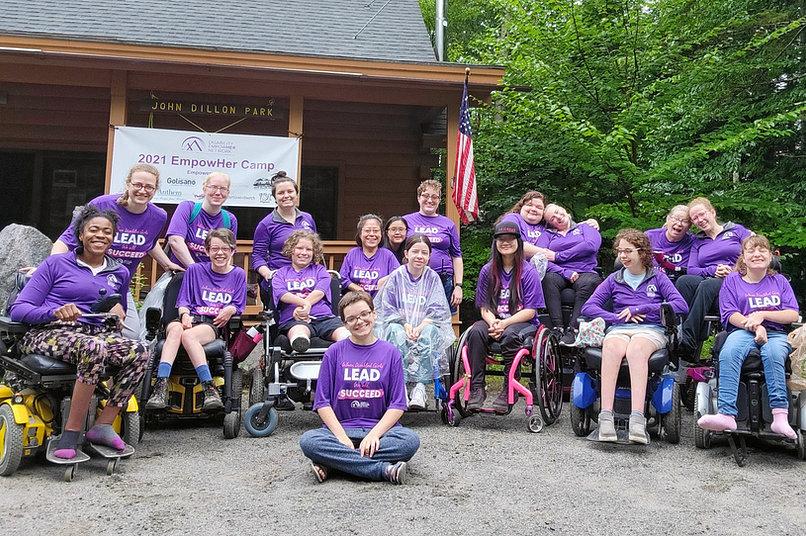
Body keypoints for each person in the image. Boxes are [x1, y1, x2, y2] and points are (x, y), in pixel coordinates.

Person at [10, 206, 149, 459]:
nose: (100, 236)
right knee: (93, 347)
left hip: (94, 332)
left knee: (138, 351)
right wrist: (54, 311)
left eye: (107, 232)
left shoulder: (119, 272)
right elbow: (19, 309)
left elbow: (119, 312)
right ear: (81, 235)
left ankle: (103, 425)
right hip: (48, 332)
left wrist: (116, 315)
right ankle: (70, 434)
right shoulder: (56, 264)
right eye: (93, 230)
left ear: (113, 237)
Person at [299, 291, 419, 484]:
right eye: (352, 318)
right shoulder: (333, 352)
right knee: (309, 441)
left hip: (381, 432)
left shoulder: (391, 353)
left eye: (364, 314)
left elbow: (397, 405)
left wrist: (373, 435)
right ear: (344, 324)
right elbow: (322, 402)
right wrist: (340, 437)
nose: (359, 321)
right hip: (340, 430)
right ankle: (383, 470)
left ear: (374, 314)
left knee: (409, 441)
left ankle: (334, 463)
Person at [581, 229, 688, 444]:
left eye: (628, 251)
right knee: (611, 348)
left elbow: (681, 305)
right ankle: (605, 417)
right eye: (620, 251)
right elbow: (588, 307)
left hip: (651, 330)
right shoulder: (614, 279)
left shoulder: (658, 277)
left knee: (636, 350)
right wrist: (615, 317)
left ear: (642, 252)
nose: (623, 256)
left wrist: (643, 308)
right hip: (620, 329)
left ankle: (637, 418)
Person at [51, 163, 180, 339]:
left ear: (155, 189)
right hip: (86, 277)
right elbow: (66, 240)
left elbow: (149, 243)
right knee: (84, 329)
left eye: (149, 187)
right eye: (138, 185)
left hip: (118, 284)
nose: (143, 190)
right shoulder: (102, 204)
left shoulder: (158, 216)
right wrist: (52, 269)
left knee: (132, 336)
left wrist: (167, 264)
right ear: (128, 184)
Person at [697, 236, 799, 439]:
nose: (757, 254)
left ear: (770, 257)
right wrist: (754, 327)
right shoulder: (732, 281)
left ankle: (779, 416)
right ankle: (726, 414)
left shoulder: (779, 281)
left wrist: (763, 315)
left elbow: (792, 314)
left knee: (773, 353)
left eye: (762, 250)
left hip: (776, 332)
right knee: (729, 350)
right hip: (741, 330)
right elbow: (729, 313)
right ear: (743, 257)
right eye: (751, 250)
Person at [146, 229, 246, 411]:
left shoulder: (238, 274)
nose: (220, 253)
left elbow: (239, 304)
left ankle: (209, 388)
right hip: (187, 317)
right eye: (215, 248)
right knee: (176, 330)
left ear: (232, 251)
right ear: (207, 251)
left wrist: (229, 309)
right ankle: (160, 388)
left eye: (225, 248)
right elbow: (183, 301)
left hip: (209, 323)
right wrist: (184, 315)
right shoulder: (194, 270)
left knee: (189, 337)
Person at [464, 221, 545, 413]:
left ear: (518, 242)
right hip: (494, 320)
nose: (505, 242)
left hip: (521, 323)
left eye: (510, 239)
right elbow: (484, 306)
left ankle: (509, 387)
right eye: (501, 239)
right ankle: (476, 388)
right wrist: (493, 322)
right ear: (495, 243)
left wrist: (505, 324)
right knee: (475, 332)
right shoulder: (487, 270)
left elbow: (531, 311)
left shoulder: (528, 272)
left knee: (510, 335)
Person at [373, 234, 455, 410]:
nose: (419, 256)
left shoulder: (433, 277)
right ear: (406, 253)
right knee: (395, 332)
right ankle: (400, 386)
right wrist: (406, 324)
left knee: (429, 334)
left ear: (429, 256)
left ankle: (419, 387)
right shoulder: (396, 276)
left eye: (424, 252)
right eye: (415, 251)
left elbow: (438, 308)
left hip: (424, 325)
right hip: (400, 324)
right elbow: (386, 307)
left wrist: (421, 326)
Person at [675, 197, 752, 358]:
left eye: (702, 214)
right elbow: (692, 270)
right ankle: (678, 332)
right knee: (684, 281)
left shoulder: (736, 230)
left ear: (712, 212)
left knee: (707, 285)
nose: (700, 220)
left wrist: (734, 270)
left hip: (737, 281)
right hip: (711, 281)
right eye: (695, 218)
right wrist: (712, 270)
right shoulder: (698, 241)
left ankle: (688, 339)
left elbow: (756, 253)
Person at [271, 230, 349, 353]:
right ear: (291, 250)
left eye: (309, 249)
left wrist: (305, 305)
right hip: (294, 319)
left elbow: (320, 291)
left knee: (343, 333)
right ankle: (300, 342)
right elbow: (282, 293)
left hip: (324, 318)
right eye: (299, 248)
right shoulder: (281, 274)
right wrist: (304, 306)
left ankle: (348, 346)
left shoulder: (321, 271)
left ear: (314, 253)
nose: (304, 252)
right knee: (299, 330)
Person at [540, 203, 602, 345]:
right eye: (552, 218)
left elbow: (591, 246)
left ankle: (573, 330)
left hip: (585, 271)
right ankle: (557, 328)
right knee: (548, 280)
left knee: (590, 283)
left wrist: (558, 256)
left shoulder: (585, 228)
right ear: (550, 224)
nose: (558, 218)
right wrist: (565, 271)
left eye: (557, 212)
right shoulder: (547, 235)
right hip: (559, 272)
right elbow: (541, 258)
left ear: (564, 210)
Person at [252, 171, 316, 303]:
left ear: (296, 195)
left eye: (290, 191)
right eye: (281, 193)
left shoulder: (307, 218)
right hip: (280, 280)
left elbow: (314, 250)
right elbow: (257, 257)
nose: (286, 196)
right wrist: (269, 275)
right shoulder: (266, 224)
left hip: (307, 280)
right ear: (275, 197)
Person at [403, 180, 462, 311]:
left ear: (439, 200)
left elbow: (457, 256)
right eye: (425, 196)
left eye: (434, 197)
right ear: (419, 198)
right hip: (413, 278)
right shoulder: (406, 221)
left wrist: (458, 285)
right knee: (413, 315)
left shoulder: (448, 224)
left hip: (443, 278)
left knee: (441, 320)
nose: (430, 200)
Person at [166, 172, 238, 268]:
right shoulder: (188, 208)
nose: (218, 192)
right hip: (182, 274)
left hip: (212, 277)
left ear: (228, 193)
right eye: (213, 187)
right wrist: (194, 269)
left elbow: (228, 253)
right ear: (204, 189)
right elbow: (175, 241)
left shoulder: (230, 220)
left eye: (223, 189)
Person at [339, 214, 399, 297]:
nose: (371, 234)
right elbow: (343, 278)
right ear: (360, 234)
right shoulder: (352, 254)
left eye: (375, 231)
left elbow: (398, 277)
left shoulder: (388, 255)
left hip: (381, 303)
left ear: (381, 235)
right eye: (367, 231)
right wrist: (359, 290)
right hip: (356, 300)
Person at [645, 205, 693, 277]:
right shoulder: (649, 236)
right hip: (652, 281)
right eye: (676, 219)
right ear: (668, 219)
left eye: (685, 221)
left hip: (678, 283)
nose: (679, 224)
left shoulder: (692, 242)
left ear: (689, 226)